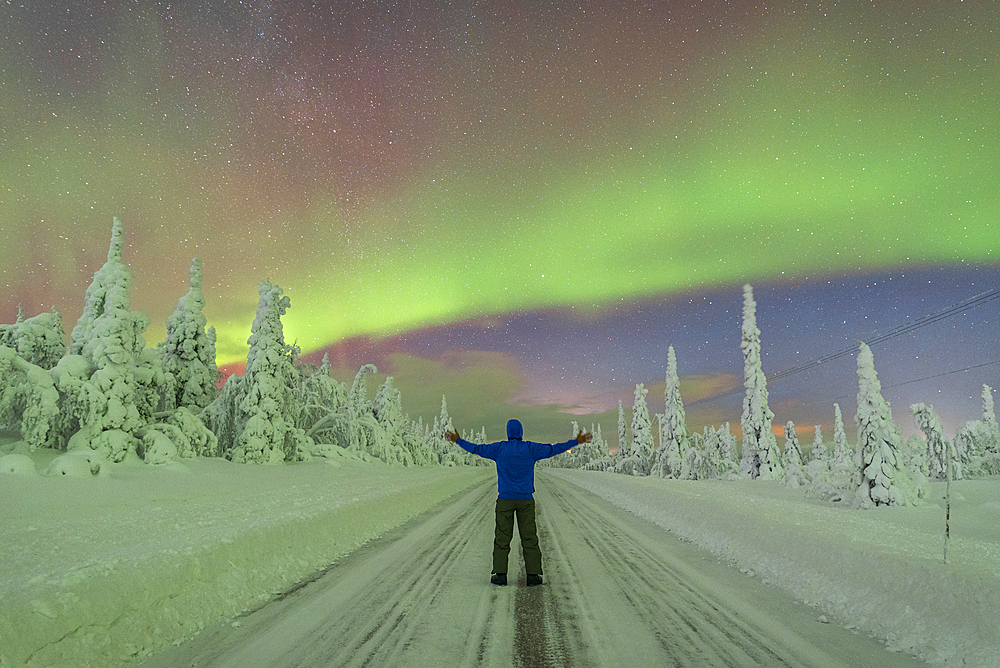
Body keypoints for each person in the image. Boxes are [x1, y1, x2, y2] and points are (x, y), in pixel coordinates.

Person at [445, 419, 592, 587]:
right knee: (529, 538)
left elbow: (476, 449)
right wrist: (576, 441)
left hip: (505, 500)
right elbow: (553, 449)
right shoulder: (530, 448)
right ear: (521, 432)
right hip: (525, 501)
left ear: (508, 432)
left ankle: (500, 575)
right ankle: (533, 575)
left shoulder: (499, 448)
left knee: (502, 538)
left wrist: (457, 440)